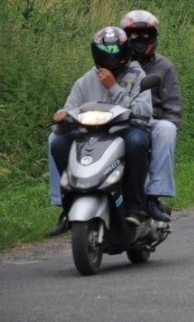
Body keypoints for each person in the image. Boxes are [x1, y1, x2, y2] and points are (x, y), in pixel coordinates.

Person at [49, 27, 152, 228]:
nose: (111, 60)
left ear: (126, 52)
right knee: (58, 143)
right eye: (105, 54)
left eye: (116, 54)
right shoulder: (85, 80)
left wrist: (113, 87)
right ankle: (68, 205)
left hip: (125, 131)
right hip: (91, 134)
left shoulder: (137, 75)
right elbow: (69, 109)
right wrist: (61, 117)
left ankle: (135, 207)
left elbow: (143, 110)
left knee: (136, 141)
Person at [120, 10, 181, 223]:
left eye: (145, 34)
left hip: (152, 121)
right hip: (119, 119)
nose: (139, 40)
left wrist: (166, 129)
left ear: (154, 36)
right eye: (133, 35)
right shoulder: (116, 63)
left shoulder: (164, 67)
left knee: (167, 129)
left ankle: (154, 196)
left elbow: (173, 107)